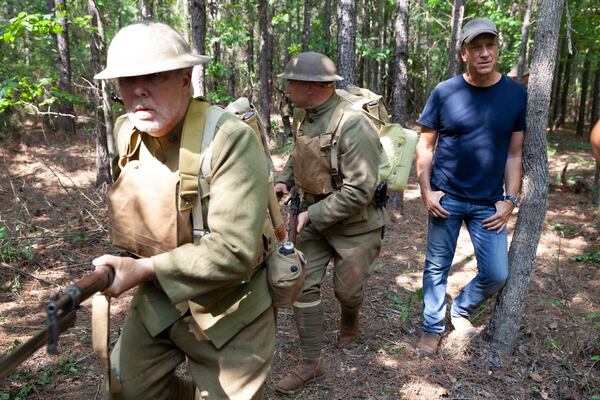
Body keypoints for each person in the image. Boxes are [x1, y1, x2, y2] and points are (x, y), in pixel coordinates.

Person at [92, 22, 275, 399]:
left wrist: (144, 269)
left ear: (186, 78)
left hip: (231, 302)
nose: (139, 90)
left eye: (155, 76)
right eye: (127, 79)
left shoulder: (230, 140)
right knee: (124, 387)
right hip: (163, 294)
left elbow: (235, 251)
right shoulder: (127, 131)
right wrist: (133, 261)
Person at [273, 52, 389, 394]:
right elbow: (300, 155)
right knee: (299, 283)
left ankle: (350, 317)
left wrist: (313, 215)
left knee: (347, 291)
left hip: (356, 226)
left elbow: (360, 191)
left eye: (291, 83)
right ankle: (312, 362)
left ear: (312, 87)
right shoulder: (302, 114)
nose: (287, 88)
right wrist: (285, 180)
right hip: (314, 219)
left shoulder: (354, 124)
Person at [415, 17, 527, 356]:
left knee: (496, 273)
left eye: (489, 45)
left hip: (488, 203)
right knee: (436, 266)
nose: (484, 53)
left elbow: (514, 153)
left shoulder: (515, 95)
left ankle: (461, 307)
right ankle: (432, 327)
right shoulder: (445, 92)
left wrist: (510, 199)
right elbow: (425, 145)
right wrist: (425, 190)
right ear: (463, 52)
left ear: (497, 48)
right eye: (475, 47)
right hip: (445, 197)